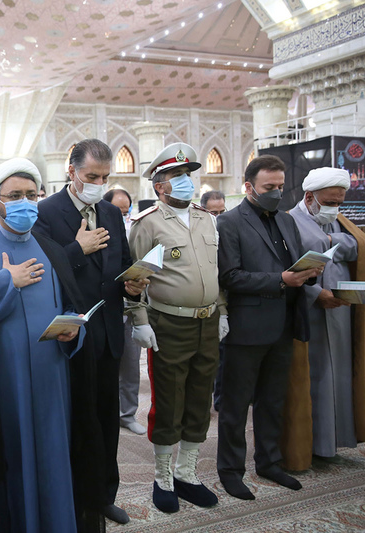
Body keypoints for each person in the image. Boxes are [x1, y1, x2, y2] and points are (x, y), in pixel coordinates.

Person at [0, 158, 93, 533]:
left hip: (52, 381)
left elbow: (72, 305)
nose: (24, 202)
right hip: (3, 385)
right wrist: (5, 283)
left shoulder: (52, 248)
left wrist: (74, 331)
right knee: (15, 459)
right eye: (15, 196)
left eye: (31, 194)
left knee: (53, 458)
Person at [34, 139, 148, 524]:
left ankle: (103, 495)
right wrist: (75, 250)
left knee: (105, 419)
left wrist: (133, 285)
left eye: (104, 177)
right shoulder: (46, 212)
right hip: (70, 335)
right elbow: (39, 272)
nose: (99, 184)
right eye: (91, 176)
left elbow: (121, 264)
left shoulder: (111, 213)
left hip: (109, 333)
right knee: (75, 421)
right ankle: (73, 498)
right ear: (71, 172)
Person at [128, 142, 226, 513]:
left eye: (188, 174)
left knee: (200, 399)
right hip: (169, 323)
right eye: (177, 176)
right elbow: (134, 278)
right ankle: (163, 477)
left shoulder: (206, 218)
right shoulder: (147, 223)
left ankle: (187, 473)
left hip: (207, 321)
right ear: (159, 185)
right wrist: (139, 321)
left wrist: (222, 312)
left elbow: (215, 270)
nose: (186, 181)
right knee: (169, 400)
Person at [216, 154, 321, 501]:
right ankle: (231, 470)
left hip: (284, 325)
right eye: (269, 187)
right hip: (246, 328)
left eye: (280, 186)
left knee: (273, 400)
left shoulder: (286, 220)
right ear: (249, 187)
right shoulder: (229, 222)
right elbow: (230, 276)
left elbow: (294, 262)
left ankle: (269, 461)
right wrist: (280, 279)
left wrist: (309, 272)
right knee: (235, 405)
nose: (276, 192)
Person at [282, 167, 365, 469]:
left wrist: (329, 241)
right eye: (329, 202)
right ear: (309, 197)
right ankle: (309, 446)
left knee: (339, 375)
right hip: (307, 313)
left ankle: (333, 442)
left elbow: (358, 245)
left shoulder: (338, 221)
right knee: (314, 380)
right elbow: (284, 269)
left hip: (340, 313)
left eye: (339, 202)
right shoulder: (289, 222)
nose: (334, 208)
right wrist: (316, 294)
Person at [101, 187, 145, 435]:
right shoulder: (97, 231)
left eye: (126, 211)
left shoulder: (134, 229)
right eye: (118, 211)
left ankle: (127, 414)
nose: (122, 216)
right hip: (105, 309)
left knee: (130, 365)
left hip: (129, 308)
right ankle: (107, 413)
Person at [199, 190, 227, 412]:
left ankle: (220, 399)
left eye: (222, 212)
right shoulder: (198, 233)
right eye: (213, 213)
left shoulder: (229, 230)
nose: (218, 217)